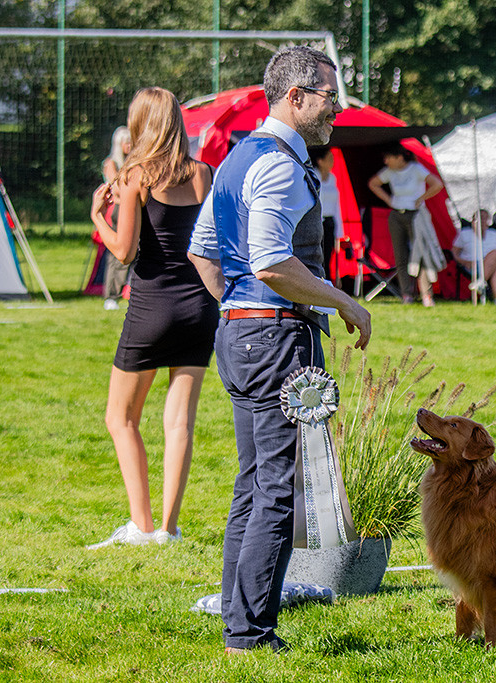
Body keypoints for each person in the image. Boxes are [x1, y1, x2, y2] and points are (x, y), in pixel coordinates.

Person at [187, 46, 371, 655]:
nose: (335, 110)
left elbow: (204, 251)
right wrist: (341, 301)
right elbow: (270, 262)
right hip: (274, 338)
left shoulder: (239, 157)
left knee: (253, 483)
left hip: (244, 332)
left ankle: (239, 620)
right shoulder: (279, 166)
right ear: (295, 97)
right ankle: (250, 634)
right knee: (276, 489)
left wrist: (235, 311)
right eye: (328, 97)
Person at [87, 88, 219, 549]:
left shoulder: (135, 175)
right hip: (201, 308)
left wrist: (97, 216)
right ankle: (169, 528)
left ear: (142, 123)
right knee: (179, 422)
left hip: (151, 308)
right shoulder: (203, 173)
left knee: (120, 418)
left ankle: (141, 525)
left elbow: (122, 251)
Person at [367, 144, 445, 306]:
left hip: (415, 215)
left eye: (389, 157)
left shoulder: (416, 169)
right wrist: (389, 200)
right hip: (396, 215)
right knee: (400, 255)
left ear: (399, 157)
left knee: (421, 254)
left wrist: (421, 198)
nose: (386, 161)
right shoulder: (389, 172)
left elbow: (436, 184)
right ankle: (406, 294)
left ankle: (426, 295)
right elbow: (373, 183)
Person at [101, 125, 133, 310]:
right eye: (126, 142)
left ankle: (125, 291)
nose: (129, 146)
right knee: (117, 253)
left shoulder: (131, 164)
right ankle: (111, 295)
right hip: (119, 209)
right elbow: (117, 191)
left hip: (128, 207)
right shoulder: (111, 164)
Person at [452, 209, 496, 308]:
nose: (482, 221)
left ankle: (482, 282)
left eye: (484, 219)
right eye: (479, 218)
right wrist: (463, 262)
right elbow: (454, 252)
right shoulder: (464, 234)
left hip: (492, 263)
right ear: (473, 221)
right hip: (472, 265)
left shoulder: (494, 234)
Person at [308, 146, 343, 283]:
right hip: (316, 222)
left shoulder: (332, 178)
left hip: (329, 222)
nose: (332, 161)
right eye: (329, 158)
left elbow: (336, 205)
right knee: (317, 256)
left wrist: (339, 230)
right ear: (320, 161)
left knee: (328, 256)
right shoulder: (313, 177)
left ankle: (327, 285)